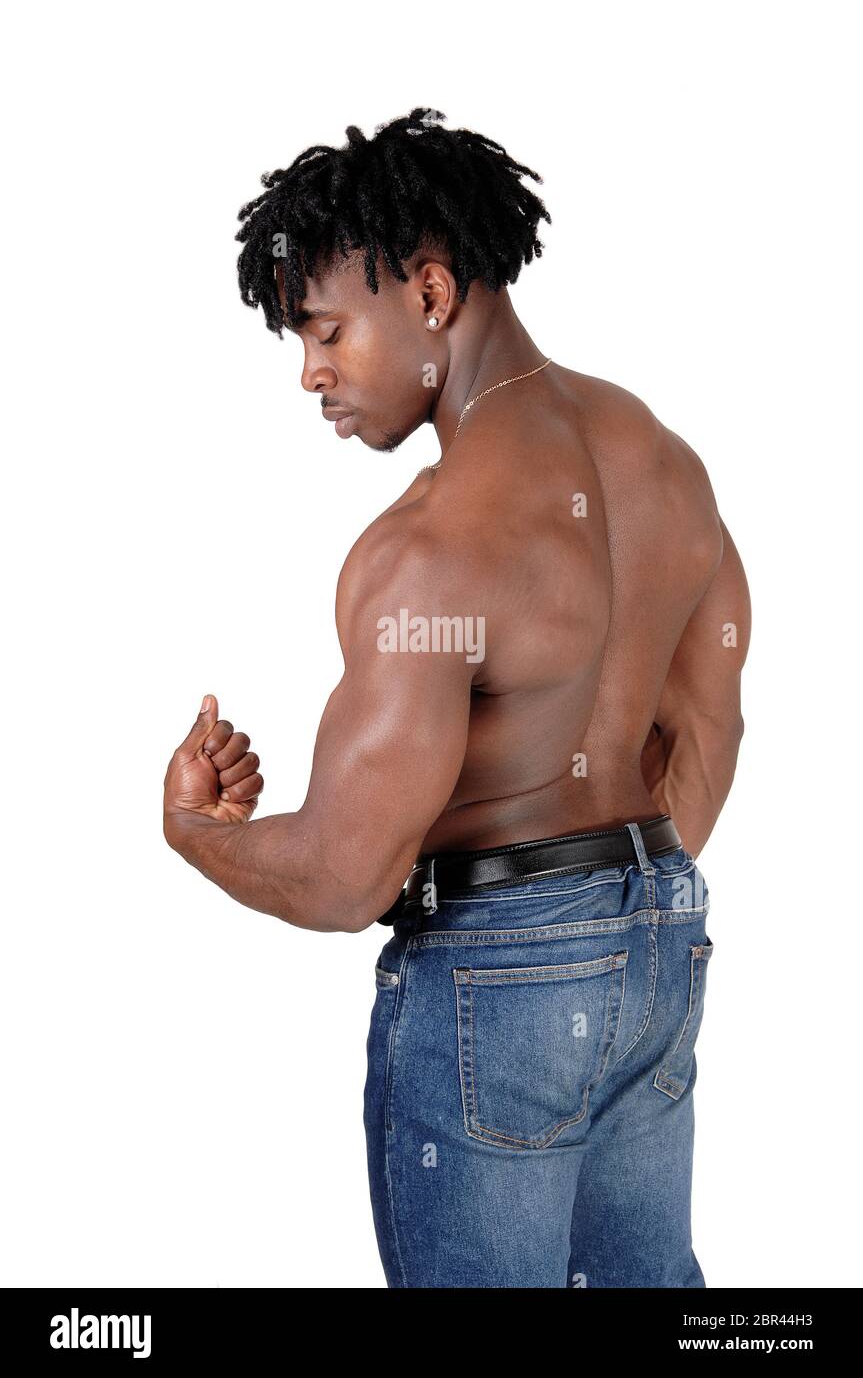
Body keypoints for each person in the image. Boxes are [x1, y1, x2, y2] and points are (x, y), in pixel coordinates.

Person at [163, 106, 750, 1288]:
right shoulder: (663, 461)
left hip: (497, 984)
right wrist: (610, 918)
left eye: (325, 330)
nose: (309, 372)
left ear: (428, 296)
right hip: (658, 950)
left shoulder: (424, 552)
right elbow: (706, 723)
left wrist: (196, 833)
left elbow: (341, 874)